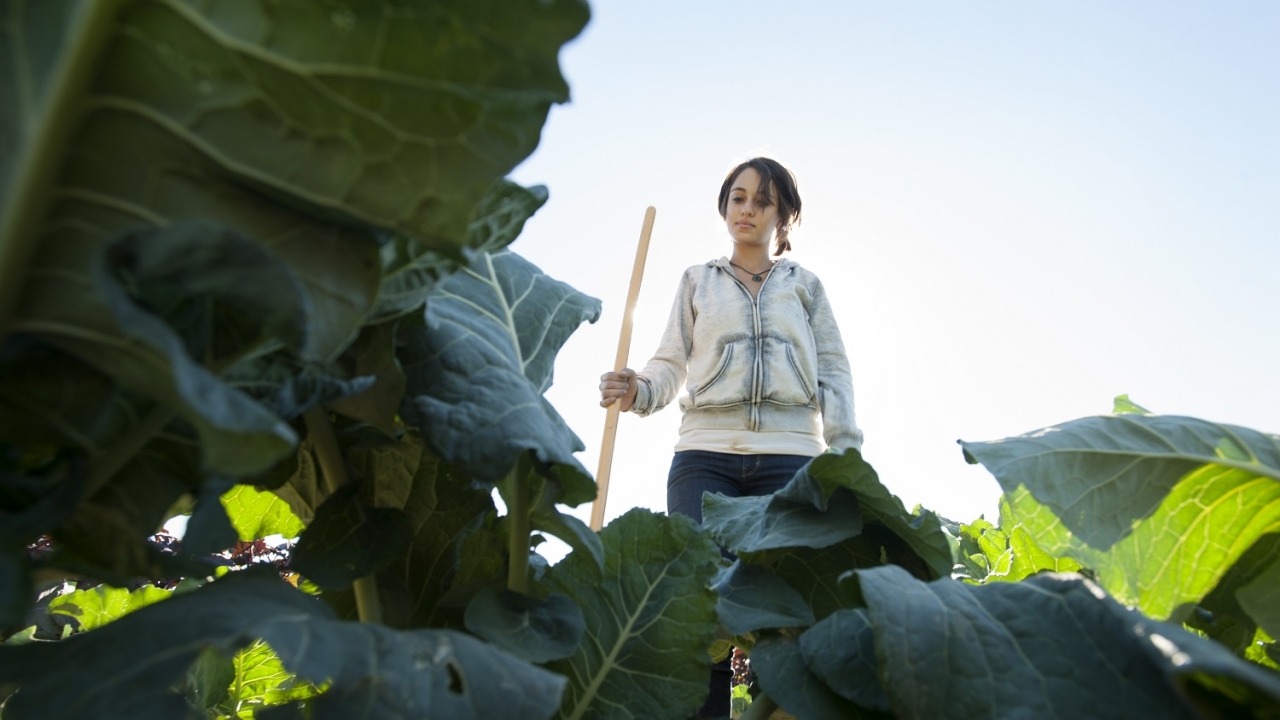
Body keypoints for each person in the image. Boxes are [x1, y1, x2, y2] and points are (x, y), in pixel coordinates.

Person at [598, 157, 862, 718]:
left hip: (790, 461)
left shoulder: (805, 287)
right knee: (700, 609)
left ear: (783, 217)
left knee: (787, 613)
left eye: (762, 201)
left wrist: (845, 456)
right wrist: (637, 389)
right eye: (738, 198)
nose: (747, 209)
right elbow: (669, 364)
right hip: (704, 461)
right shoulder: (698, 281)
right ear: (725, 208)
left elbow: (833, 373)